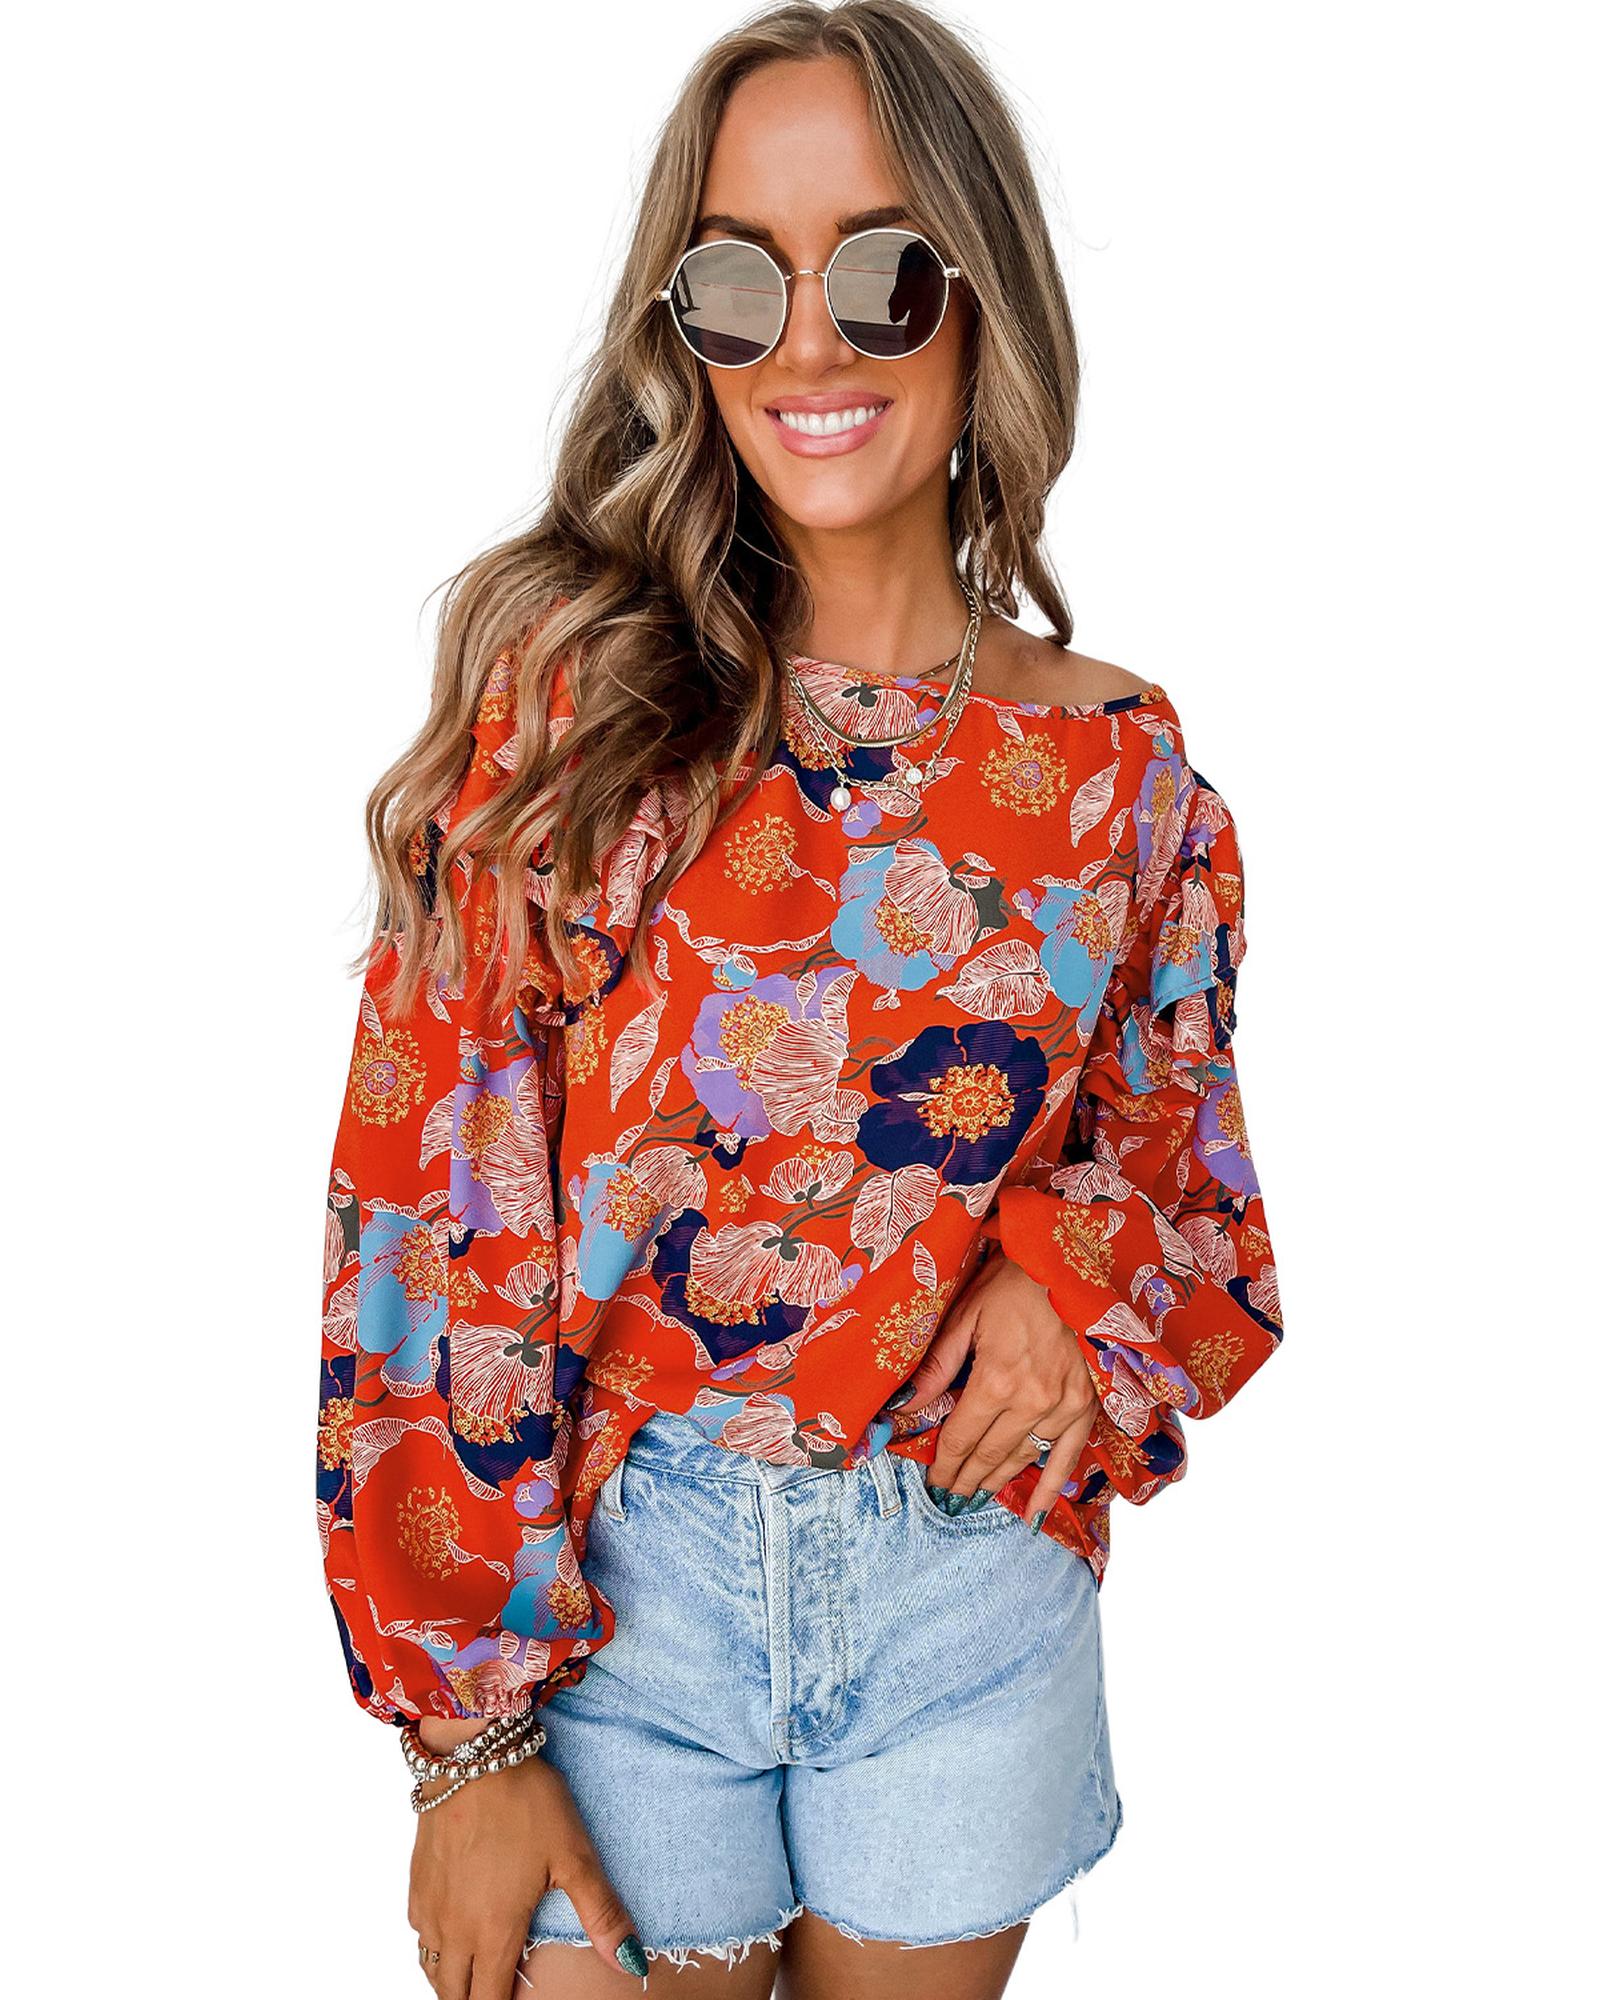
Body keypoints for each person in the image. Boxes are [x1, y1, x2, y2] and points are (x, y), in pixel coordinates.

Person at [316, 4, 1285, 1995]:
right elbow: (430, 1202)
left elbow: (1190, 1196)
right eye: (737, 282)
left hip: (960, 1596)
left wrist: (1065, 1278)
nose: (810, 346)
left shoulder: (1123, 776)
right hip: (611, 1598)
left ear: (981, 294)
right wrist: (463, 1730)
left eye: (880, 271)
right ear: (681, 327)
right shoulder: (574, 703)